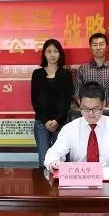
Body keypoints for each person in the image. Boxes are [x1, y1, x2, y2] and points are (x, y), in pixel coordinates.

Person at [44, 81, 109, 171]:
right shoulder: (70, 129)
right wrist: (53, 161)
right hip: (80, 176)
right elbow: (54, 152)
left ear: (103, 105)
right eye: (85, 108)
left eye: (95, 109)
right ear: (80, 104)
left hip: (108, 175)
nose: (90, 114)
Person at [30, 39, 74, 167]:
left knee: (60, 160)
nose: (52, 54)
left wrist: (57, 120)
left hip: (61, 122)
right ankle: (43, 181)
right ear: (44, 54)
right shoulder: (37, 74)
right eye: (49, 51)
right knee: (44, 160)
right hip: (41, 122)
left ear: (60, 53)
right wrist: (45, 121)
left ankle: (59, 181)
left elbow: (67, 100)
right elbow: (34, 100)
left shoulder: (66, 74)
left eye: (55, 51)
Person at [74, 33, 109, 107]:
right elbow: (77, 93)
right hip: (88, 111)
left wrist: (107, 110)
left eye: (101, 44)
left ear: (107, 47)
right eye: (95, 45)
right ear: (90, 48)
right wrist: (87, 109)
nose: (98, 47)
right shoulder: (82, 69)